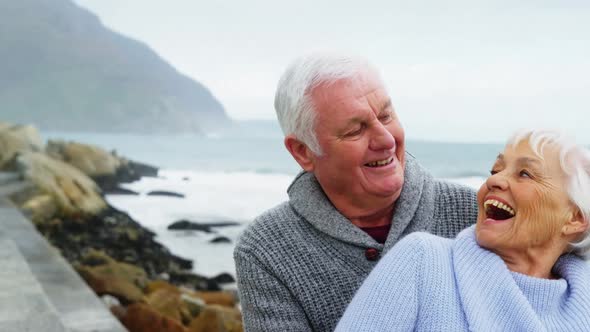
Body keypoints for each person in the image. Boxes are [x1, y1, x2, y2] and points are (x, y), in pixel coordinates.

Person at [233, 54, 478, 331]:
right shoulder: (266, 249)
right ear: (303, 152)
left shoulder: (474, 213)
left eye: (386, 116)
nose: (386, 139)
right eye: (355, 130)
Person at [336, 129, 590, 331]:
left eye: (525, 174)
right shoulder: (423, 261)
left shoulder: (582, 304)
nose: (494, 180)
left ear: (575, 218)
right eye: (496, 169)